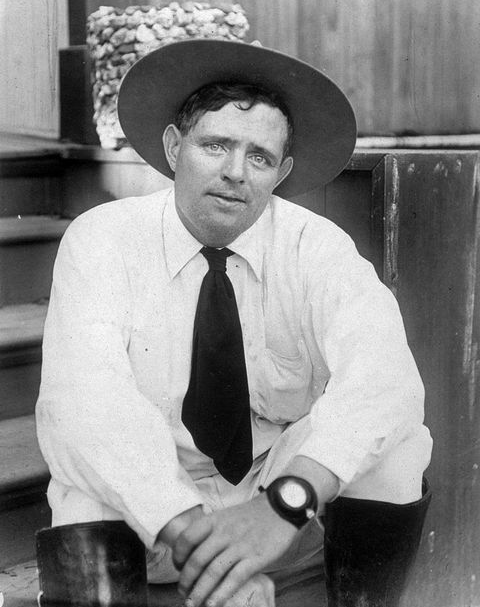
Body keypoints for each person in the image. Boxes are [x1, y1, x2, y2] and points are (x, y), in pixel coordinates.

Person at [36, 39, 432, 607]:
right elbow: (86, 404)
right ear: (174, 147)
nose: (235, 173)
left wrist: (284, 504)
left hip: (275, 517)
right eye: (215, 145)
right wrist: (201, 541)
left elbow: (387, 378)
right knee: (85, 474)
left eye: (260, 157)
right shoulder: (104, 238)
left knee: (398, 445)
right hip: (153, 521)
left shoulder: (315, 246)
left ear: (281, 172)